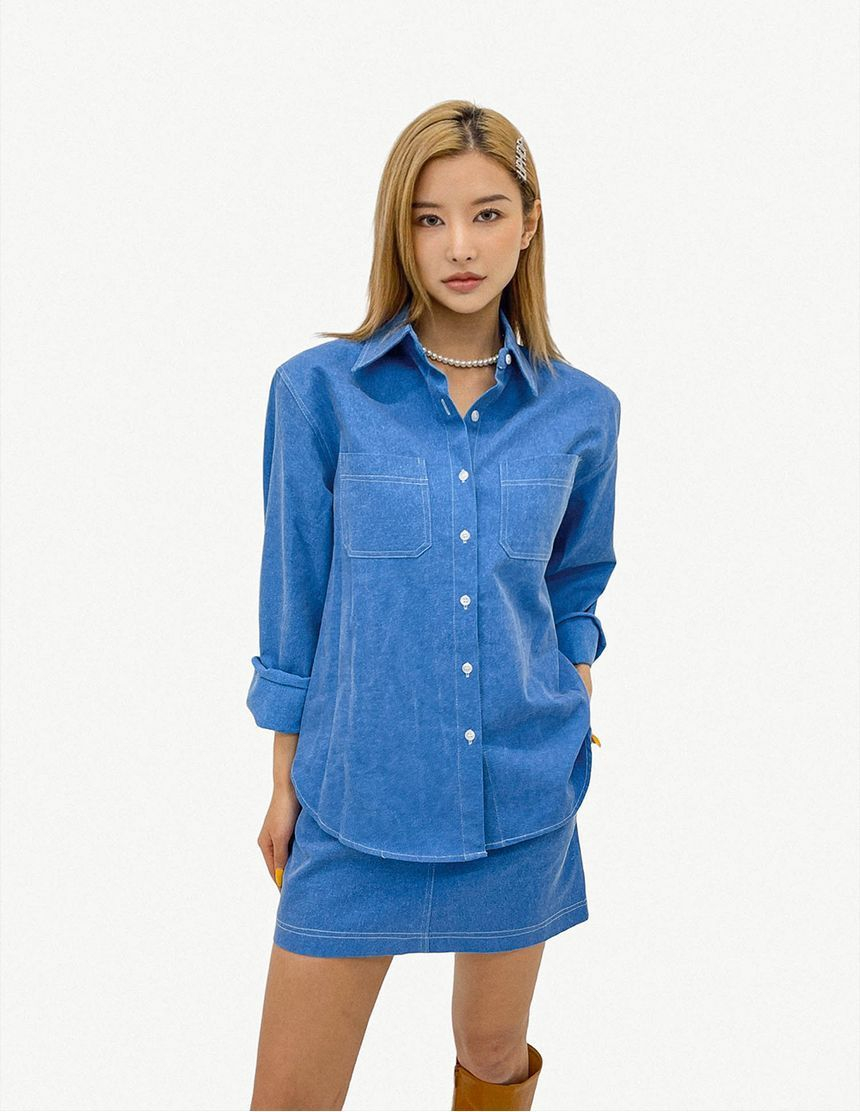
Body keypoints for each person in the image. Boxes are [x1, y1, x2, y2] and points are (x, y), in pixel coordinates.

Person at [247, 99, 621, 1111]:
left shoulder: (582, 411)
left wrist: (577, 701)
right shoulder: (318, 392)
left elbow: (574, 580)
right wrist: (283, 780)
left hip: (520, 794)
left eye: (487, 214)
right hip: (356, 794)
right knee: (290, 1094)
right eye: (428, 218)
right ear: (398, 231)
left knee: (493, 1051)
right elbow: (293, 596)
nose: (459, 245)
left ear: (528, 225)